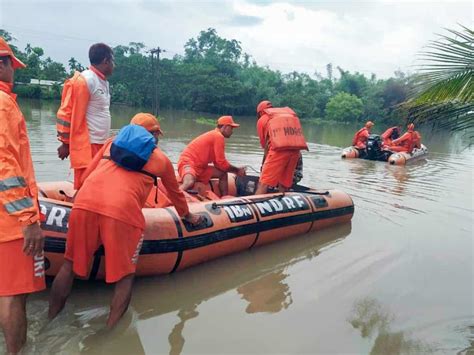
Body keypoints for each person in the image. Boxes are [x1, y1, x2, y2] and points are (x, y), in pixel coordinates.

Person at [49, 113, 203, 328]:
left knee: (69, 266)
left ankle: (50, 319)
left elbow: (84, 177)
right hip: (122, 212)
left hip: (85, 203)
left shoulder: (111, 143)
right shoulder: (161, 160)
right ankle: (110, 335)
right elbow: (176, 194)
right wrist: (188, 215)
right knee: (125, 277)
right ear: (154, 135)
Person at [0, 37, 45, 353]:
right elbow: (4, 166)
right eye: (12, 65)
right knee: (14, 295)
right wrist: (29, 218)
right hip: (9, 221)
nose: (13, 71)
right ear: (2, 63)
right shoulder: (3, 105)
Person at [56, 43, 115, 189]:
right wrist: (65, 143)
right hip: (88, 144)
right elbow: (66, 113)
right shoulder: (85, 80)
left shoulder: (103, 82)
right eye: (113, 61)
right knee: (85, 185)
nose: (114, 65)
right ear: (106, 61)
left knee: (98, 185)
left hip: (102, 143)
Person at [178, 116, 246, 196]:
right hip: (188, 163)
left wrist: (236, 170)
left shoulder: (216, 136)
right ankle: (175, 198)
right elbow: (221, 163)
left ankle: (224, 198)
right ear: (225, 127)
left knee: (223, 174)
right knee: (189, 182)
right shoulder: (218, 136)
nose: (232, 131)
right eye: (231, 128)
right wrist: (237, 170)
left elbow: (219, 164)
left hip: (201, 168)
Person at [254, 100, 308, 195]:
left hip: (278, 151)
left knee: (263, 184)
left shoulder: (262, 120)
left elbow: (266, 146)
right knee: (284, 184)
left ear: (260, 112)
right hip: (295, 151)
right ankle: (282, 200)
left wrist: (263, 168)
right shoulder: (287, 116)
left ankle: (254, 206)